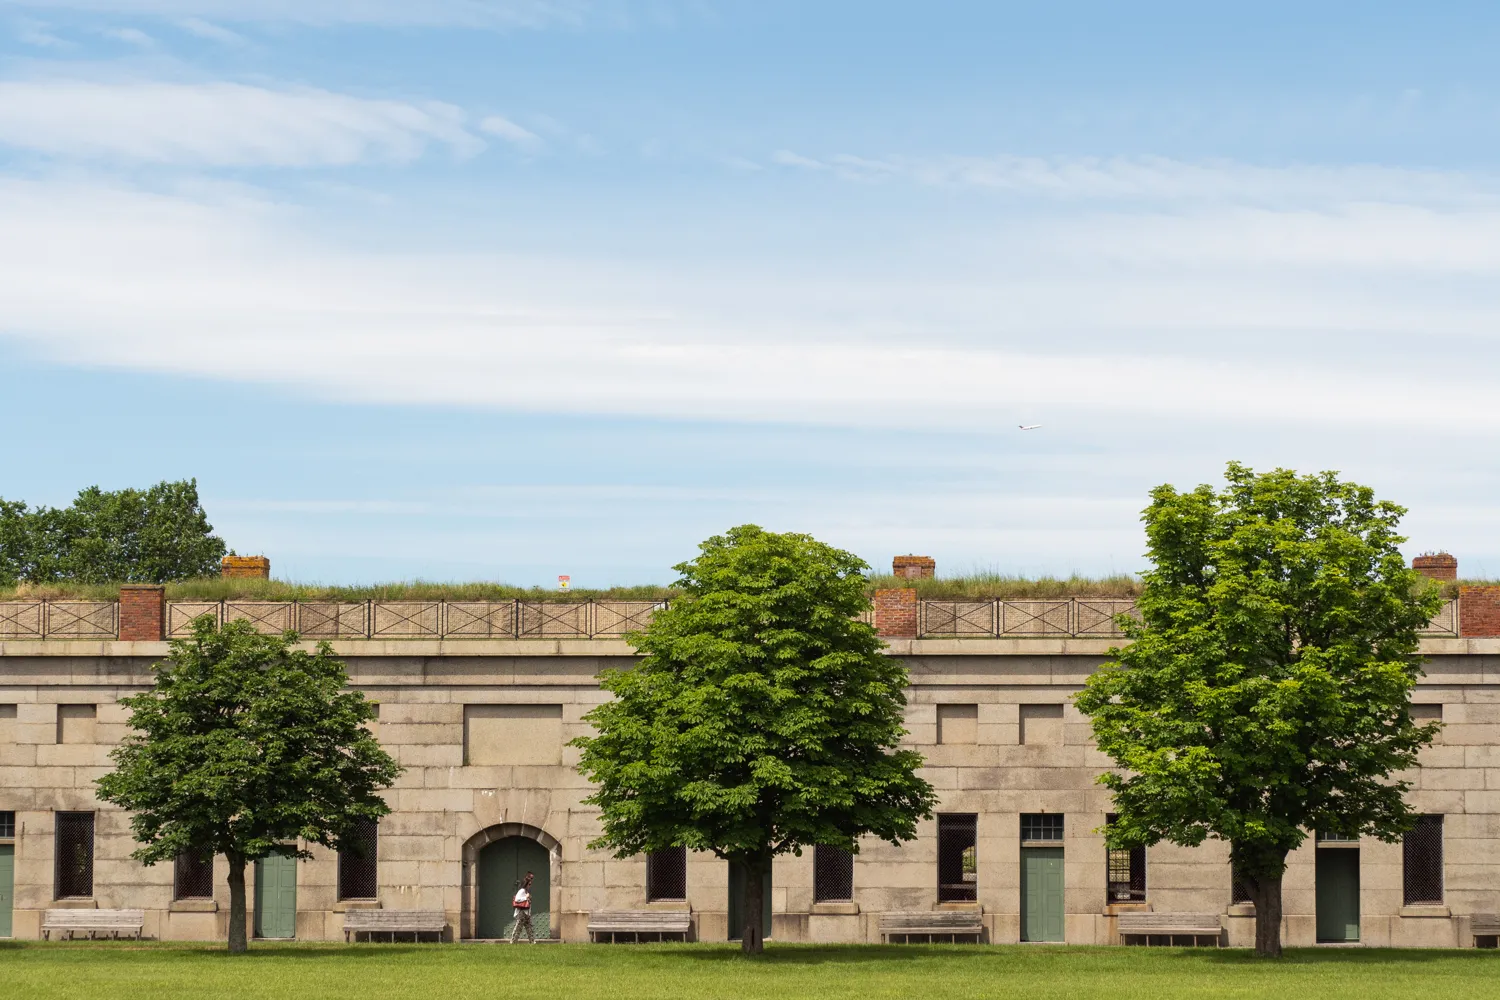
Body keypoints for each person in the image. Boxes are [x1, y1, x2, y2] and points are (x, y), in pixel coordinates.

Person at [510, 871, 537, 944]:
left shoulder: (526, 891)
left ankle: (532, 942)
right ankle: (513, 942)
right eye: (529, 884)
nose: (530, 885)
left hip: (526, 912)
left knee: (529, 928)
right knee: (518, 927)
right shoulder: (521, 891)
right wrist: (526, 897)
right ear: (526, 884)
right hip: (521, 912)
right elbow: (517, 900)